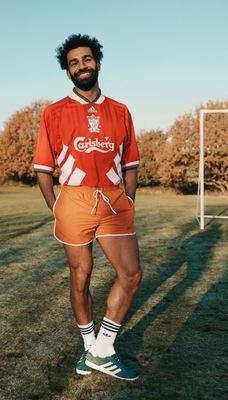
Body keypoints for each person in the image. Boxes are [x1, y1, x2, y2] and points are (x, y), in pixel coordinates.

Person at [33, 34, 142, 381]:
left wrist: (128, 198)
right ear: (68, 73)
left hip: (113, 199)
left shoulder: (121, 110)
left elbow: (131, 163)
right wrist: (57, 207)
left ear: (98, 62)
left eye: (87, 59)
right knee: (81, 276)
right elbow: (43, 169)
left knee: (131, 274)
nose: (82, 66)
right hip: (74, 199)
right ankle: (89, 345)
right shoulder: (54, 112)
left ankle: (103, 349)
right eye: (74, 63)